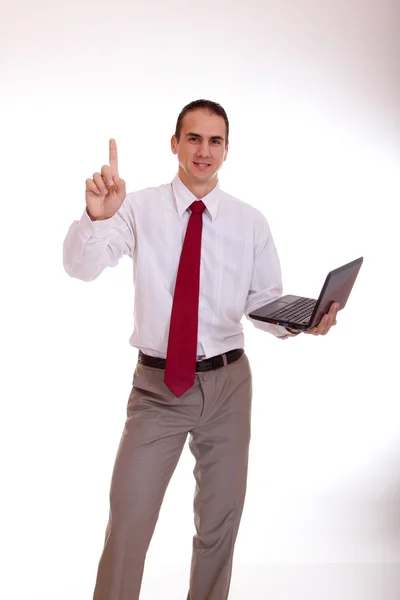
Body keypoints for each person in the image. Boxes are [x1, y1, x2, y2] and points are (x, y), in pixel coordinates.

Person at [63, 99, 339, 600]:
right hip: (157, 390)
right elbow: (80, 267)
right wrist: (95, 217)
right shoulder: (137, 208)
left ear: (227, 150)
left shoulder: (249, 221)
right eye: (193, 138)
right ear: (175, 144)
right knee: (128, 522)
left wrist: (300, 321)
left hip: (229, 386)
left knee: (219, 526)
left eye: (215, 141)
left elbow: (262, 301)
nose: (203, 151)